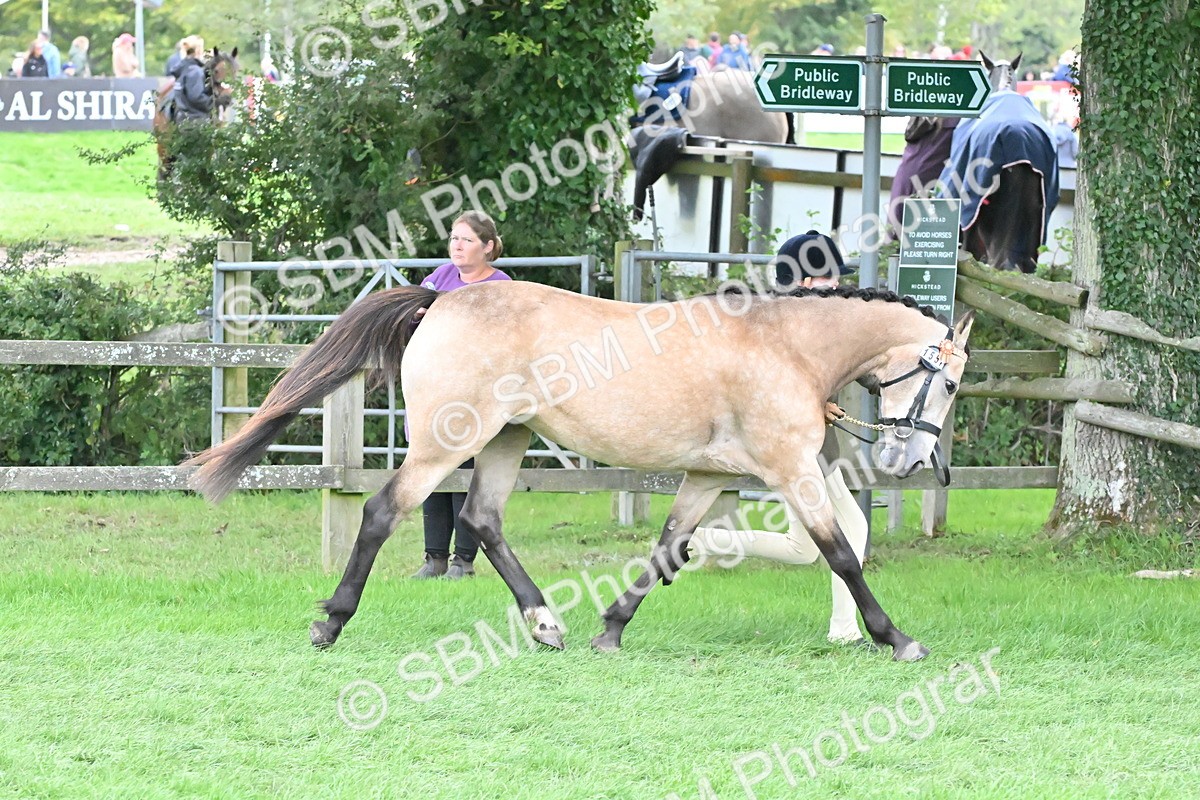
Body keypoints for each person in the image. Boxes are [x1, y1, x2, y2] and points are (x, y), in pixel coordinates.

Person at [688, 230, 871, 645]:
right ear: (804, 281)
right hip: (802, 445)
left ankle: (697, 540)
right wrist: (815, 402)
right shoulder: (788, 322)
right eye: (830, 277)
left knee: (801, 548)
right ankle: (844, 630)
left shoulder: (802, 317)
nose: (838, 284)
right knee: (853, 525)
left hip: (811, 443)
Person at [410, 211, 513, 580]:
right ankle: (434, 558)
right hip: (436, 388)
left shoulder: (501, 285)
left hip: (477, 393)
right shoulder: (439, 277)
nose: (457, 245)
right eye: (454, 238)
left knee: (467, 471)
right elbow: (413, 320)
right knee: (432, 469)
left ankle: (463, 561)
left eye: (467, 240)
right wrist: (417, 314)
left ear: (487, 247)